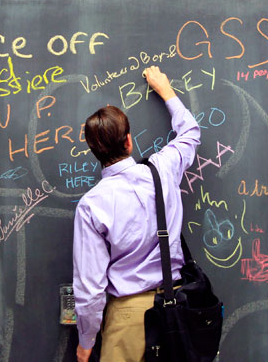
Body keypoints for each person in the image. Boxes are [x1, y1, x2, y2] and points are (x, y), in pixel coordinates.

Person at [73, 65, 201, 362]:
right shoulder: (164, 168)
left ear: (94, 151)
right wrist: (165, 90)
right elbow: (191, 133)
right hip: (176, 309)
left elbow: (90, 288)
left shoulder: (92, 205)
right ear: (129, 141)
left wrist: (86, 341)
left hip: (126, 319)